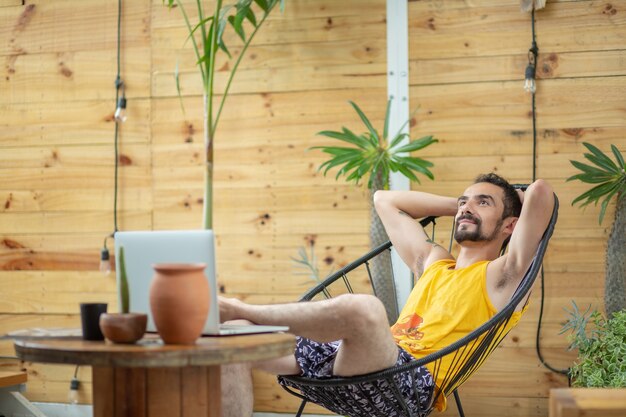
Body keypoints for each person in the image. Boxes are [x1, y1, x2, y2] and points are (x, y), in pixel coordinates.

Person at [219, 173, 555, 417]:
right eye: (463, 201)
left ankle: (236, 308)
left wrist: (515, 195)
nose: (467, 208)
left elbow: (541, 192)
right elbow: (385, 200)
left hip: (406, 385)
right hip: (352, 359)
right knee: (228, 342)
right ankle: (234, 316)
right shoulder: (434, 263)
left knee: (365, 310)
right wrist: (462, 207)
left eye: (483, 202)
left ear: (511, 225)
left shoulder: (502, 278)